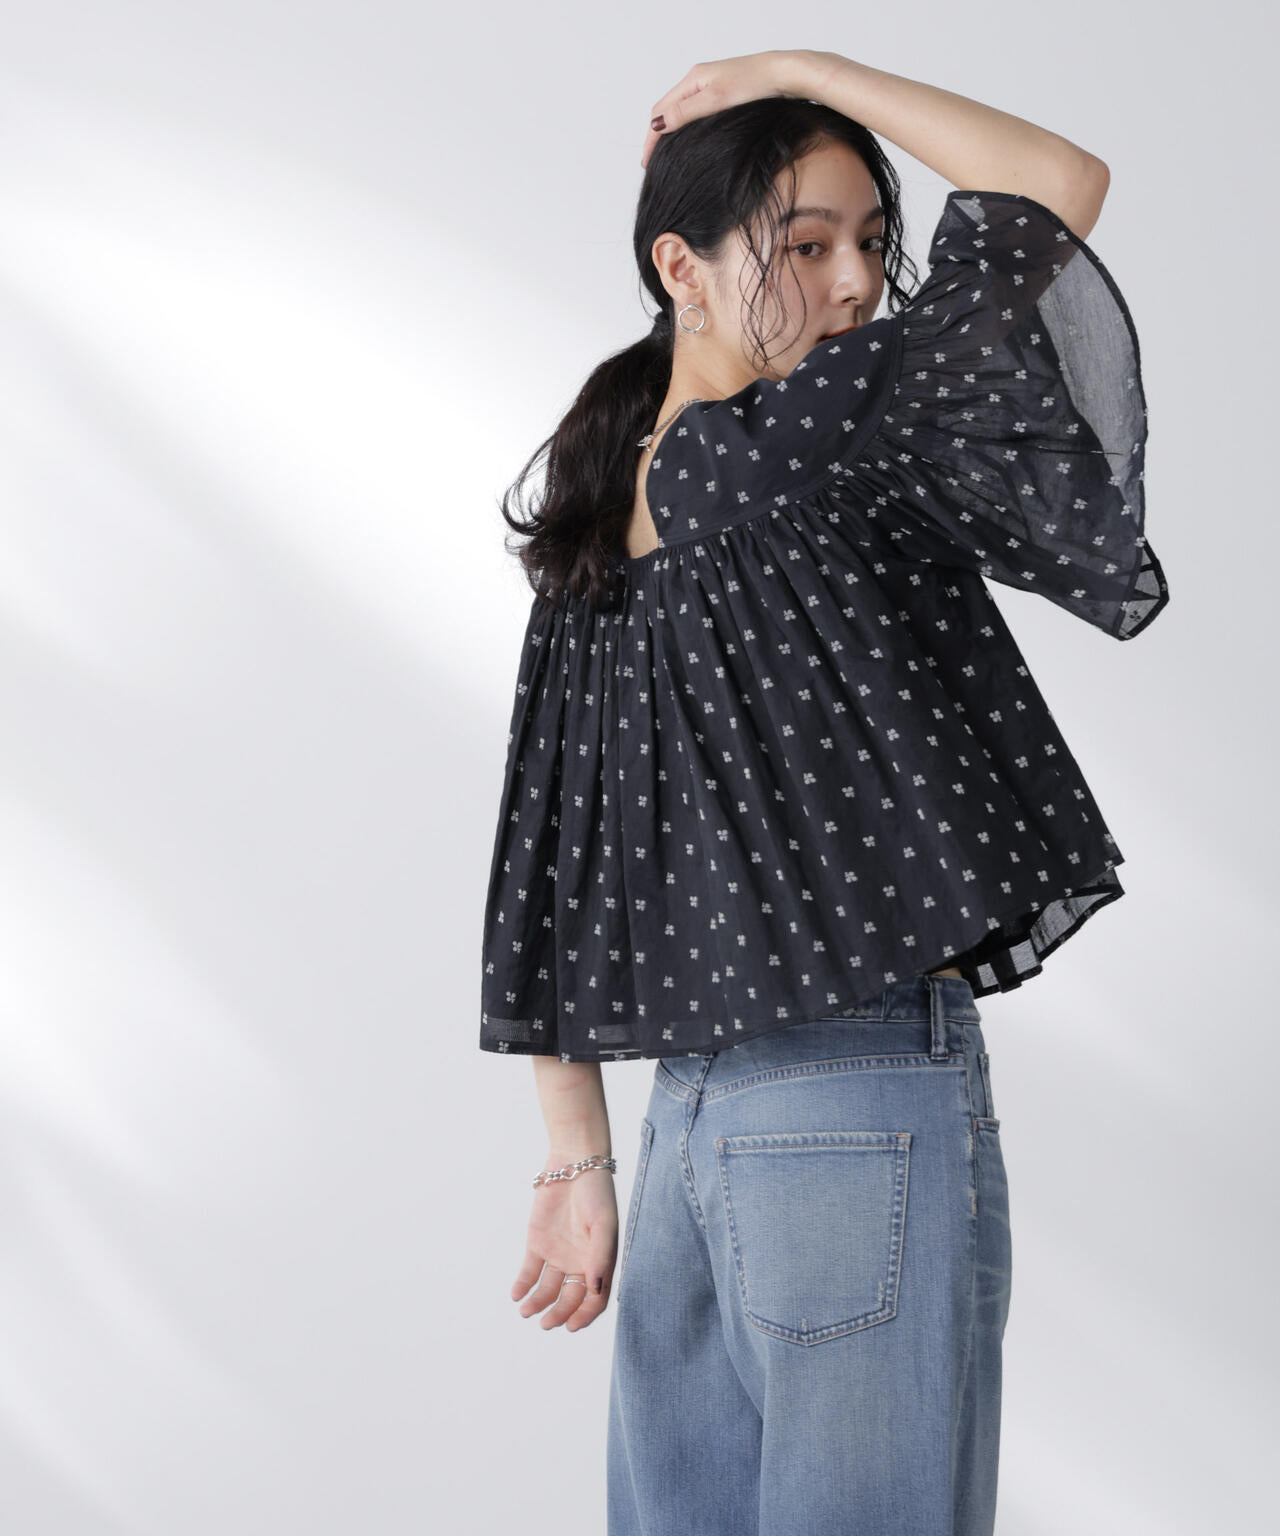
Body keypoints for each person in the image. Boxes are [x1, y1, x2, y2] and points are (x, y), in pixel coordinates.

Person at [478, 49, 1170, 1536]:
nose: (855, 283)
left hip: (689, 1131)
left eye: (870, 239)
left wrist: (573, 1156)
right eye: (803, 244)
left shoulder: (609, 510)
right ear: (681, 268)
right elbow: (1057, 186)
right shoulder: (801, 438)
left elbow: (545, 867)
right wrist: (796, 64)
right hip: (856, 1098)